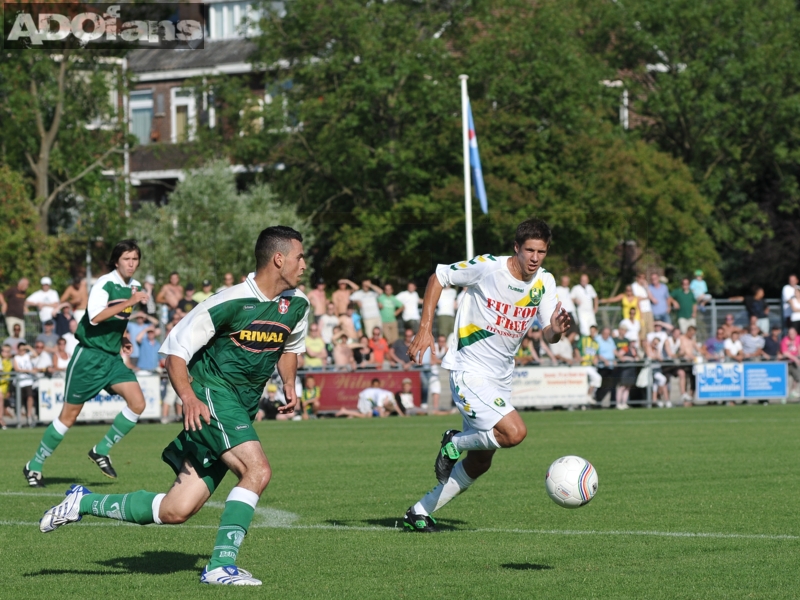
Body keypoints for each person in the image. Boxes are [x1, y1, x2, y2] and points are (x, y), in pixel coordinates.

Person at [39, 225, 310, 587]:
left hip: (239, 408)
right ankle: (220, 565)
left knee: (176, 509)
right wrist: (189, 397)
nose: (304, 264)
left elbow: (290, 347)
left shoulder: (298, 304)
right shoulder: (227, 301)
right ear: (279, 259)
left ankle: (82, 502)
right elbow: (175, 351)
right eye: (300, 256)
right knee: (258, 471)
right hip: (213, 396)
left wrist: (288, 383)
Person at [402, 217, 570, 532]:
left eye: (542, 252)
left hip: (501, 378)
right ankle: (455, 441)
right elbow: (438, 276)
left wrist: (557, 330)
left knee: (481, 462)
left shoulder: (545, 282)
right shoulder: (489, 267)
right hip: (469, 371)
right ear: (516, 248)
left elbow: (549, 334)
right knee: (515, 433)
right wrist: (425, 329)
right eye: (530, 250)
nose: (535, 258)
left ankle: (419, 512)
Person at [22, 240, 151, 488]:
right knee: (68, 417)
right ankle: (34, 465)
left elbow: (117, 320)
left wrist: (122, 337)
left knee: (138, 403)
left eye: (135, 258)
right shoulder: (105, 283)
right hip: (89, 357)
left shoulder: (134, 286)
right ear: (116, 261)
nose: (132, 263)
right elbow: (93, 318)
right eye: (127, 258)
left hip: (111, 359)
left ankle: (101, 450)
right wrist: (129, 301)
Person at [335, 378, 402, 418]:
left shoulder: (390, 395)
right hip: (366, 397)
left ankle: (351, 415)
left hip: (368, 398)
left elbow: (395, 406)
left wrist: (402, 415)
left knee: (368, 415)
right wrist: (382, 417)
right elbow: (380, 408)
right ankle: (345, 411)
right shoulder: (382, 396)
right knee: (365, 416)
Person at [575, 325, 601, 403]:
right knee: (597, 378)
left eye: (594, 331)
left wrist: (596, 359)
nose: (592, 333)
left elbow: (596, 354)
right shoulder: (584, 339)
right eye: (591, 331)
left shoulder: (596, 343)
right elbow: (576, 348)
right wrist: (579, 358)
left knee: (591, 383)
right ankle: (589, 396)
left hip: (592, 365)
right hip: (585, 365)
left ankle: (586, 400)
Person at [12, 342, 37, 425]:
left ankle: (29, 415)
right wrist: (29, 371)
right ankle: (19, 418)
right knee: (20, 400)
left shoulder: (27, 356)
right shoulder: (16, 357)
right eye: (21, 349)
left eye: (24, 349)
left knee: (30, 397)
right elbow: (17, 369)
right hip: (20, 382)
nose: (22, 351)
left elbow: (36, 355)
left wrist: (29, 347)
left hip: (28, 381)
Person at [613, 326, 637, 410]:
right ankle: (618, 403)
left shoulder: (634, 349)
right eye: (632, 341)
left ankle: (624, 403)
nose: (633, 343)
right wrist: (629, 358)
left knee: (628, 387)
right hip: (625, 369)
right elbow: (620, 356)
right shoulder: (625, 348)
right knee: (622, 387)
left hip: (631, 369)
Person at [595, 326, 617, 408]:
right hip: (602, 366)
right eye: (605, 333)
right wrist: (604, 360)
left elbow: (613, 350)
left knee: (612, 386)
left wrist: (617, 358)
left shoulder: (610, 340)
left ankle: (613, 404)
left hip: (611, 367)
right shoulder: (598, 339)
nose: (607, 335)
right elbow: (597, 352)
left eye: (608, 334)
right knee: (600, 385)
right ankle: (597, 402)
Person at [632, 273, 655, 343]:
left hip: (648, 310)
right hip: (641, 310)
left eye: (644, 278)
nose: (642, 279)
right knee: (643, 330)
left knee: (651, 329)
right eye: (641, 277)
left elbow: (651, 297)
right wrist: (646, 298)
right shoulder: (634, 286)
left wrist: (646, 287)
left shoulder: (645, 287)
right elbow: (637, 298)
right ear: (637, 278)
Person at [781, 327, 800, 397]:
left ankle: (793, 391)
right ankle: (784, 395)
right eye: (790, 333)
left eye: (793, 333)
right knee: (786, 379)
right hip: (786, 363)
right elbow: (785, 352)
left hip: (795, 363)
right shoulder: (785, 340)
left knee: (797, 377)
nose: (791, 335)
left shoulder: (798, 338)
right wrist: (795, 358)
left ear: (796, 333)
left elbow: (799, 348)